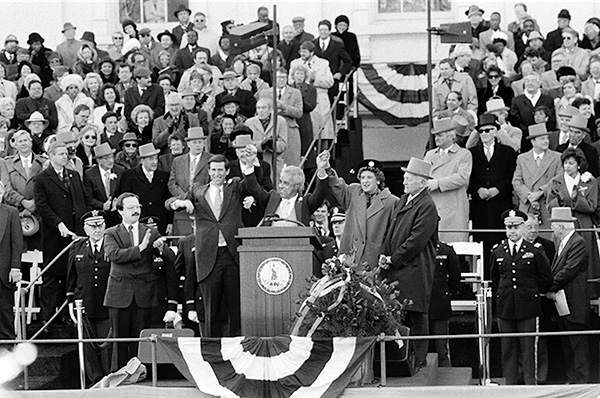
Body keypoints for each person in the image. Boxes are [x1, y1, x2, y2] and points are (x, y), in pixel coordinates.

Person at [168, 154, 252, 337]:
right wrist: (181, 202)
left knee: (236, 309)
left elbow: (252, 184)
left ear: (227, 171)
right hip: (208, 256)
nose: (216, 174)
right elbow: (169, 203)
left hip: (232, 255)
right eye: (213, 170)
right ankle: (212, 353)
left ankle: (238, 348)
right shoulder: (198, 190)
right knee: (210, 310)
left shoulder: (235, 186)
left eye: (220, 170)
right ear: (208, 171)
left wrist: (250, 165)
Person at [379, 156, 439, 370]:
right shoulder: (405, 199)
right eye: (405, 177)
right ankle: (403, 358)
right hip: (397, 268)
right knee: (400, 314)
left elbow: (417, 240)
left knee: (416, 315)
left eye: (409, 177)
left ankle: (420, 359)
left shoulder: (427, 205)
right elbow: (390, 231)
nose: (404, 180)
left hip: (414, 270)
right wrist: (384, 254)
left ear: (422, 182)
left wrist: (393, 259)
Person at [104, 192, 175, 370]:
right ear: (120, 211)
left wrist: (161, 248)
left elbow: (170, 259)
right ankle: (118, 378)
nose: (136, 211)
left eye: (138, 207)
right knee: (119, 340)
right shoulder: (111, 233)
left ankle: (140, 376)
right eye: (131, 208)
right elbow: (114, 255)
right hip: (119, 293)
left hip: (144, 292)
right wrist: (141, 248)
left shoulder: (150, 231)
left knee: (141, 340)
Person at [490, 209, 552, 385]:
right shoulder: (498, 251)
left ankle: (530, 387)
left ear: (523, 227)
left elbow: (546, 278)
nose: (512, 231)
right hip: (506, 307)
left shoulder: (534, 251)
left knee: (528, 350)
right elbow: (495, 278)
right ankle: (510, 387)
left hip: (528, 307)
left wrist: (531, 293)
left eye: (516, 227)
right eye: (509, 227)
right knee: (508, 350)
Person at [34, 141, 89, 330]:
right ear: (51, 156)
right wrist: (58, 224)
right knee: (51, 277)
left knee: (70, 276)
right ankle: (46, 318)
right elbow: (42, 206)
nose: (65, 157)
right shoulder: (42, 178)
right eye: (61, 154)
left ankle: (65, 315)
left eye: (66, 154)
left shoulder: (74, 176)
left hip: (74, 233)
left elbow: (82, 200)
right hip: (53, 235)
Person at [66, 210, 112, 384]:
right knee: (87, 345)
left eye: (100, 225)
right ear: (85, 229)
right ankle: (94, 380)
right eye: (93, 226)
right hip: (84, 302)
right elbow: (71, 277)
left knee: (107, 344)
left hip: (106, 302)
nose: (97, 230)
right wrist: (70, 300)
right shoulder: (77, 247)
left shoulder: (112, 244)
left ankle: (109, 378)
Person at [328, 158, 399, 269]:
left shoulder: (391, 201)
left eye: (369, 177)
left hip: (373, 259)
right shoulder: (353, 192)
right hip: (350, 256)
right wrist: (327, 169)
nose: (365, 181)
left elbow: (393, 234)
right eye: (362, 177)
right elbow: (337, 186)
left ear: (378, 180)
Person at [547, 147, 600, 297]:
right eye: (565, 163)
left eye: (571, 163)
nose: (567, 166)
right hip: (562, 224)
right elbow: (549, 206)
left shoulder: (590, 181)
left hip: (583, 224)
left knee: (584, 258)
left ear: (579, 165)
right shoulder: (556, 181)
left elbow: (592, 206)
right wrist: (561, 199)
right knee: (561, 257)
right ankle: (557, 289)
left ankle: (588, 293)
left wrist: (576, 198)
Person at [468, 113, 517, 274]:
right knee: (483, 244)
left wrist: (498, 189)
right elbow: (469, 176)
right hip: (480, 207)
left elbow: (512, 175)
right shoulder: (472, 153)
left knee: (502, 242)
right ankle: (486, 280)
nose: (484, 134)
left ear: (496, 131)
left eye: (488, 130)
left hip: (500, 205)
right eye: (481, 131)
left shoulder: (508, 152)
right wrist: (478, 189)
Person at [547, 207, 590, 384]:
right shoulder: (565, 243)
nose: (552, 229)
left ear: (561, 226)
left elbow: (568, 270)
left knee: (577, 344)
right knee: (568, 344)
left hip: (574, 301)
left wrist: (548, 286)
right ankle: (572, 378)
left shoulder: (577, 243)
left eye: (554, 225)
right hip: (564, 301)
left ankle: (581, 380)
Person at [243, 148, 330, 227]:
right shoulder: (271, 198)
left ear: (297, 186)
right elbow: (253, 188)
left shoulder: (305, 203)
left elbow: (320, 193)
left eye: (286, 183)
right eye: (280, 181)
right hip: (270, 243)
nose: (281, 186)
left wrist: (321, 169)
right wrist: (249, 164)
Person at [423, 117, 473, 242]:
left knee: (454, 248)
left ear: (452, 136)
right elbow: (422, 176)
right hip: (433, 205)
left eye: (440, 135)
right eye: (435, 136)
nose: (436, 138)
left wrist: (438, 183)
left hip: (454, 207)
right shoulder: (430, 154)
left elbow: (462, 177)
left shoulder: (464, 154)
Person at [512, 123, 562, 230]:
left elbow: (559, 180)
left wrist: (540, 192)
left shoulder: (557, 157)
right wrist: (530, 196)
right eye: (542, 138)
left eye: (547, 138)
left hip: (547, 204)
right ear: (533, 141)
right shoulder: (522, 158)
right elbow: (517, 181)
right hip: (528, 206)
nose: (546, 141)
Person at [0, 130, 45, 250]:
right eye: (20, 141)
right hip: (16, 214)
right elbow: (6, 189)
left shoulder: (43, 162)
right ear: (15, 144)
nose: (23, 144)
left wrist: (35, 203)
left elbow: (47, 188)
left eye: (25, 140)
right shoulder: (6, 163)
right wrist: (23, 202)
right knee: (17, 251)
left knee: (38, 253)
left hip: (38, 214)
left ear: (31, 142)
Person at [116, 143, 172, 235]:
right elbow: (124, 200)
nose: (154, 162)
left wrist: (170, 222)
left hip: (160, 223)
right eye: (151, 159)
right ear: (142, 160)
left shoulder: (164, 176)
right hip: (137, 223)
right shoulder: (129, 176)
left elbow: (168, 199)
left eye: (156, 158)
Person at [289, 41, 334, 150]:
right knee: (308, 131)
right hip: (303, 98)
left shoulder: (323, 63)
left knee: (323, 132)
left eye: (305, 52)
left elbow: (330, 82)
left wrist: (315, 79)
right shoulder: (295, 63)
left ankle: (323, 155)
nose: (302, 54)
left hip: (320, 99)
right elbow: (290, 80)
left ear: (312, 52)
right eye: (301, 51)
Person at [168, 127, 211, 236]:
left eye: (200, 142)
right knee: (183, 245)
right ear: (188, 144)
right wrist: (185, 198)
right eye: (195, 142)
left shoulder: (211, 159)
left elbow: (212, 184)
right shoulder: (178, 161)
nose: (198, 145)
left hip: (203, 209)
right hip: (182, 211)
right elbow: (172, 183)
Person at [428, 241, 460, 367]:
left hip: (439, 304)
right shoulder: (417, 249)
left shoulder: (446, 251)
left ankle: (446, 381)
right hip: (420, 305)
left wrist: (446, 293)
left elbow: (455, 277)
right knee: (420, 348)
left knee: (442, 349)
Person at [509, 72, 556, 152]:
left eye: (533, 81)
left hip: (544, 142)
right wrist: (530, 133)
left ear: (539, 83)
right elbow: (515, 121)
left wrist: (540, 134)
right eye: (527, 81)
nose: (530, 83)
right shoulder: (516, 101)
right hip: (525, 142)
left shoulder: (548, 100)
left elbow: (551, 120)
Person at [0, 181, 23, 340]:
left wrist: (15, 267)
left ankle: (7, 344)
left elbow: (17, 243)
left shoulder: (11, 213)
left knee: (5, 309)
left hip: (3, 270)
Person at [83, 143, 125, 228]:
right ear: (98, 160)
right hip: (99, 217)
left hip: (117, 216)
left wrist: (118, 202)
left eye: (111, 157)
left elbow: (124, 191)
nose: (111, 161)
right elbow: (88, 197)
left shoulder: (120, 171)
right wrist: (102, 206)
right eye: (106, 158)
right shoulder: (89, 174)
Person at [245, 97, 288, 176]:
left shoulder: (280, 121)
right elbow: (247, 144)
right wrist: (261, 144)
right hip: (256, 161)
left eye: (263, 108)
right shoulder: (249, 122)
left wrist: (272, 144)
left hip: (274, 163)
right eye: (258, 108)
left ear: (270, 109)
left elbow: (284, 144)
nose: (260, 110)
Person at [312, 19, 352, 104]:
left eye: (325, 30)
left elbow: (348, 61)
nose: (323, 32)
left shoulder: (337, 44)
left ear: (330, 31)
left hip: (332, 80)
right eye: (321, 30)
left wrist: (340, 73)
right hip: (316, 81)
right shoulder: (313, 44)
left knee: (330, 104)